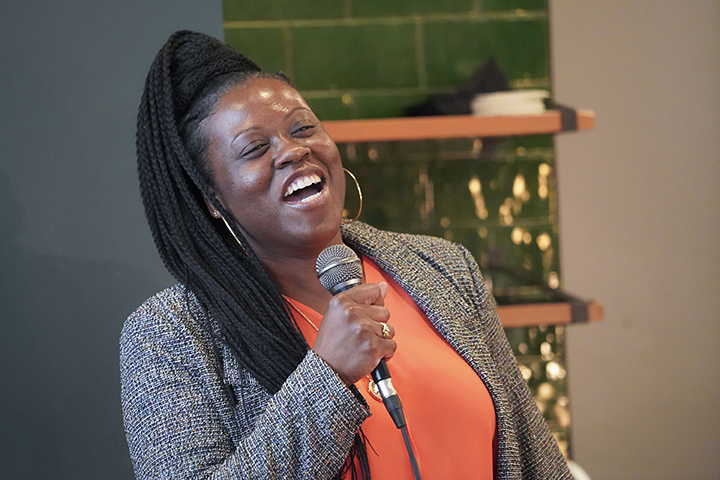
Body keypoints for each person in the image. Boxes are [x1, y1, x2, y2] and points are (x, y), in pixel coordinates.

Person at [120, 30, 572, 480]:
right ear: (212, 199)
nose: (293, 150)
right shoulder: (170, 334)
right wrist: (328, 375)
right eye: (255, 148)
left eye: (303, 128)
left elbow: (536, 459)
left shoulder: (445, 269)